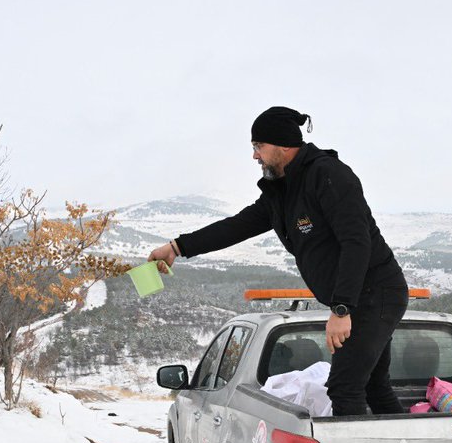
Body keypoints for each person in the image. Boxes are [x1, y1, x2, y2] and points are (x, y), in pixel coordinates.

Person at [147, 106, 409, 416]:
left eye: (259, 146)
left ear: (283, 145)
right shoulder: (280, 192)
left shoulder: (328, 176)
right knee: (373, 387)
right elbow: (238, 225)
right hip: (362, 297)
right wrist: (177, 247)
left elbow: (356, 242)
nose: (255, 156)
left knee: (345, 387)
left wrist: (342, 308)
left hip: (375, 293)